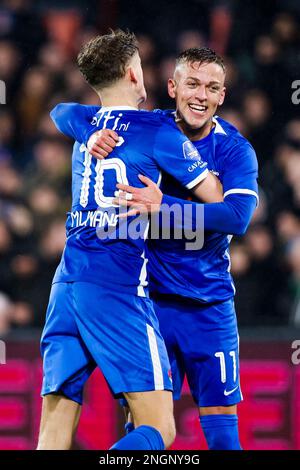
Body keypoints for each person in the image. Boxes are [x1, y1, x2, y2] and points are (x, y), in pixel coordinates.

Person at [52, 47, 258, 450]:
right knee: (146, 427)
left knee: (222, 433)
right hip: (151, 300)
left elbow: (237, 217)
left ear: (222, 96)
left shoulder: (235, 150)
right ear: (172, 87)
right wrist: (89, 133)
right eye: (193, 84)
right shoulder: (151, 129)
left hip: (209, 305)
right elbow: (64, 111)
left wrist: (164, 204)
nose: (201, 95)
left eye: (212, 88)